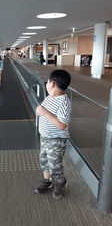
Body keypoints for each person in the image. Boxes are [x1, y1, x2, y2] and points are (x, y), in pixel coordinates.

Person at [34, 69, 72, 199]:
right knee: (44, 160)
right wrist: (40, 111)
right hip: (45, 137)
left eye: (48, 82)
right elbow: (45, 111)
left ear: (53, 84)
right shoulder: (50, 97)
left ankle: (60, 183)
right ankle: (47, 181)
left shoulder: (64, 102)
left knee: (54, 163)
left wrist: (44, 113)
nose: (47, 84)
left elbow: (62, 125)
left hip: (56, 139)